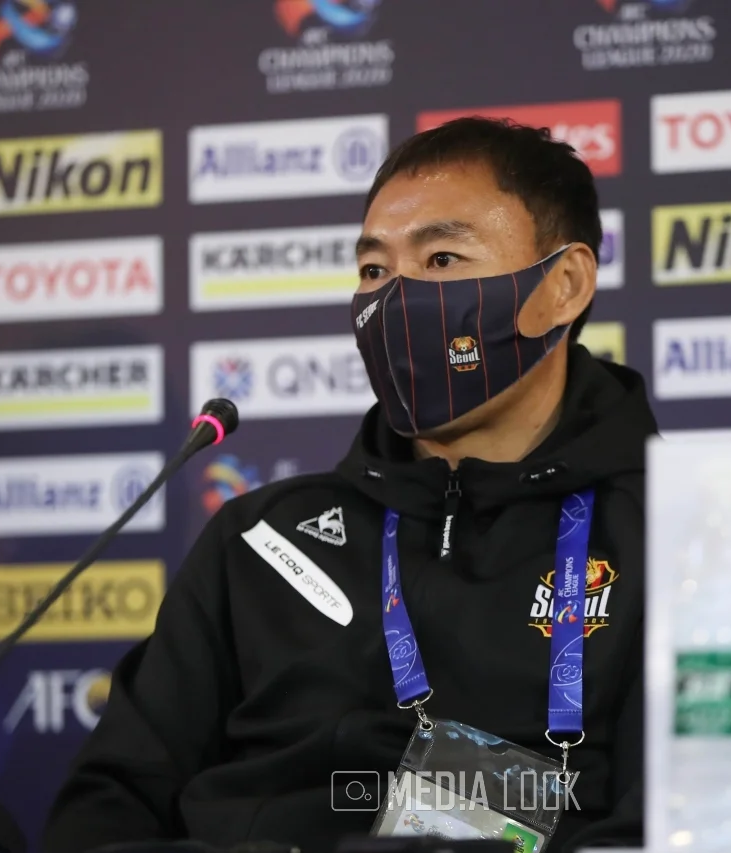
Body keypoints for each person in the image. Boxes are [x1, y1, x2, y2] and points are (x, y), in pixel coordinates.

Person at [42, 117, 658, 853]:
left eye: (440, 259)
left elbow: (687, 822)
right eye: (373, 270)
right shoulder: (257, 541)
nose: (393, 299)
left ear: (564, 286)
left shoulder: (669, 534)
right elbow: (103, 811)